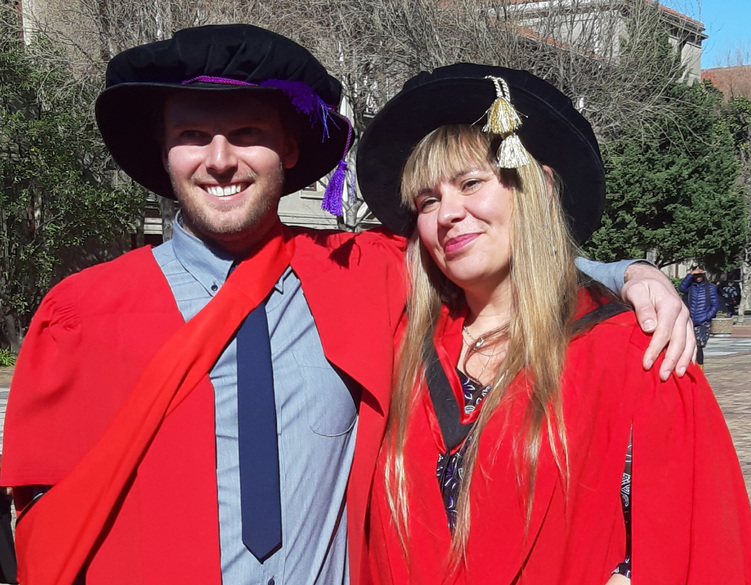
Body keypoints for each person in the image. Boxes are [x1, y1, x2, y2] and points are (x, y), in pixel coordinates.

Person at [0, 26, 692, 585]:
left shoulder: (359, 272)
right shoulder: (82, 315)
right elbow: (40, 523)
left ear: (289, 148)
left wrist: (629, 275)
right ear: (163, 150)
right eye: (190, 134)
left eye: (246, 133)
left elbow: (489, 253)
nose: (219, 158)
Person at [354, 64, 751, 584]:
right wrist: (630, 270)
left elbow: (696, 548)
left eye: (471, 183)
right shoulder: (400, 343)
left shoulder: (634, 353)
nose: (447, 213)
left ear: (540, 187)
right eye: (428, 200)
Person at [680, 267, 719, 368]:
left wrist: (707, 316)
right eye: (696, 275)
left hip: (703, 322)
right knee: (689, 345)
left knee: (699, 346)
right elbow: (681, 288)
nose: (698, 277)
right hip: (691, 320)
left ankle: (700, 368)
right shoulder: (691, 287)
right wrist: (690, 275)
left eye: (700, 275)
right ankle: (692, 367)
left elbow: (715, 305)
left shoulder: (710, 288)